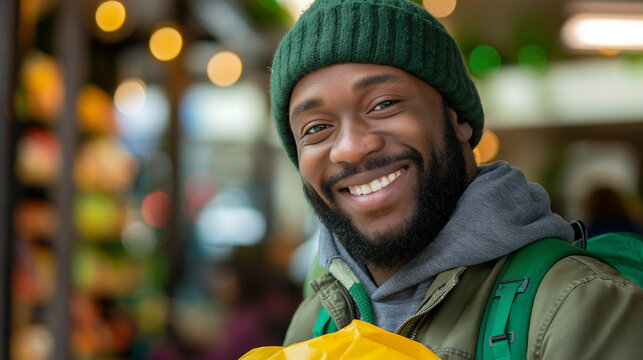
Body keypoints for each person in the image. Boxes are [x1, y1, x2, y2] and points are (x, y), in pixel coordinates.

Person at [268, 0, 643, 359]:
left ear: (458, 118)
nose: (350, 148)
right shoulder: (315, 320)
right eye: (316, 128)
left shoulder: (578, 303)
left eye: (383, 104)